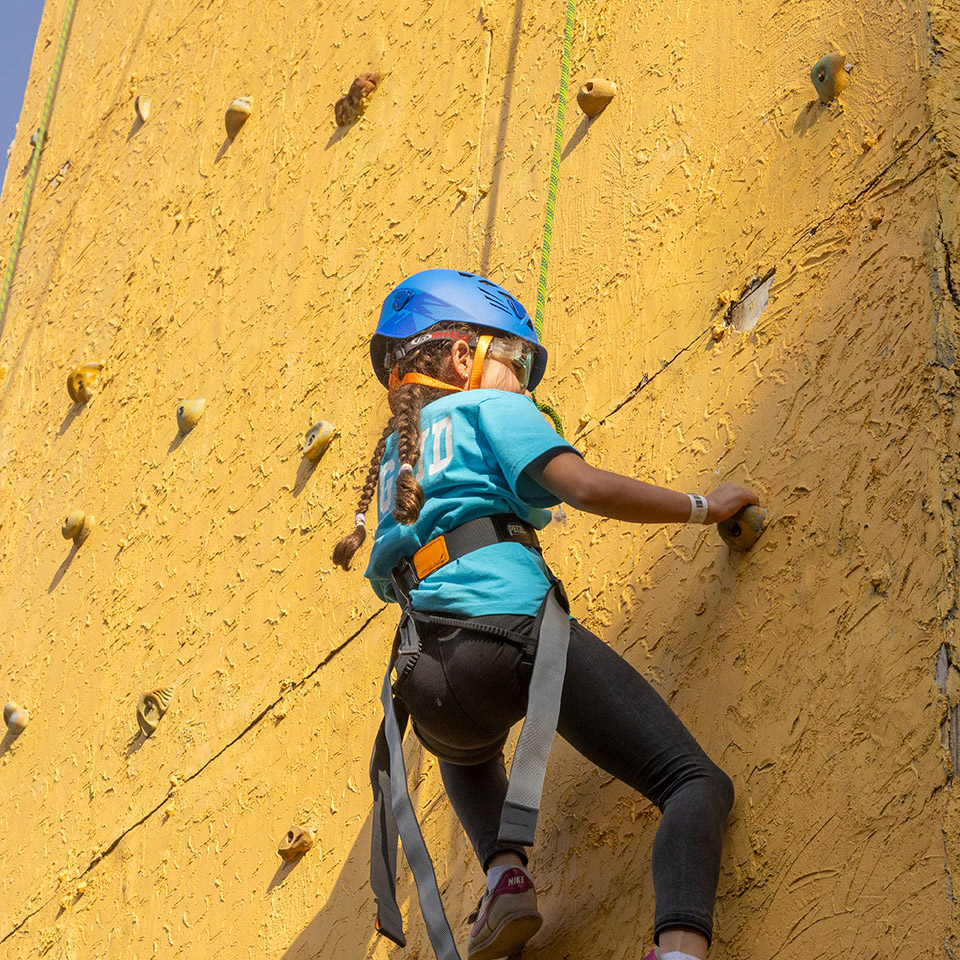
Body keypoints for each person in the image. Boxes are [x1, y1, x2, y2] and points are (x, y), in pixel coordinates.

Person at [333, 269, 759, 960]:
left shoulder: (394, 463)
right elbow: (585, 489)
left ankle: (504, 874)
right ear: (466, 356)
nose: (527, 383)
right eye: (518, 360)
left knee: (466, 751)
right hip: (512, 633)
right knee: (692, 782)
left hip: (423, 675)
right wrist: (703, 506)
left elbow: (390, 578)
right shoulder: (490, 410)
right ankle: (680, 953)